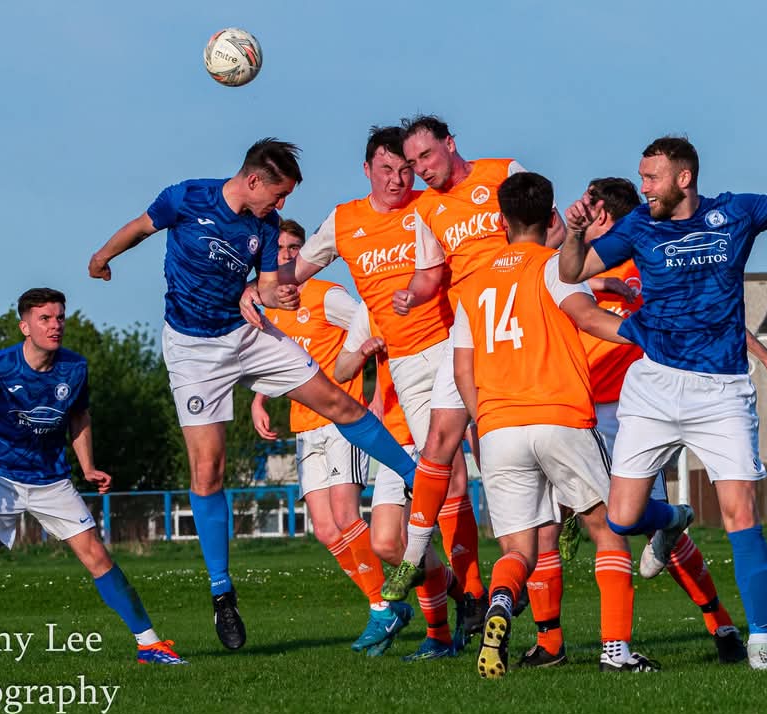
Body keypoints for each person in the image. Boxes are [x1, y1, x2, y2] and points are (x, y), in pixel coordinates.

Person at [559, 119, 767, 670]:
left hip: (721, 390)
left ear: (684, 177)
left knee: (738, 511)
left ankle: (760, 644)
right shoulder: (636, 226)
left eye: (652, 178)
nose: (645, 187)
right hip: (654, 386)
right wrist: (577, 233)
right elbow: (574, 270)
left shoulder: (737, 213)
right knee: (624, 519)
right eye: (641, 178)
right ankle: (672, 519)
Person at [89, 139, 419, 650]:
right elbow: (139, 227)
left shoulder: (263, 229)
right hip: (193, 351)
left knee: (337, 401)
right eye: (279, 195)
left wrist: (275, 294)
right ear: (253, 181)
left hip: (246, 335)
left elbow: (265, 287)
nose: (281, 207)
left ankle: (416, 475)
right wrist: (103, 257)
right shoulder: (187, 198)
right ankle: (222, 594)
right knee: (208, 471)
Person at [517, 177, 767, 669]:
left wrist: (765, 356)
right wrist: (596, 284)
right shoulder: (583, 264)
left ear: (609, 216)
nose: (587, 213)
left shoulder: (648, 257)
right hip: (579, 404)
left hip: (638, 404)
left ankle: (719, 623)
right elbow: (557, 286)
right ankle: (551, 642)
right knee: (571, 524)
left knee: (639, 527)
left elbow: (711, 316)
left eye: (595, 207)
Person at [244, 126, 484, 651]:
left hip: (448, 347)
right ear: (367, 171)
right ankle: (452, 610)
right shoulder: (345, 220)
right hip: (401, 369)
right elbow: (295, 272)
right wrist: (254, 288)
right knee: (402, 517)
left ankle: (470, 599)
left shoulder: (430, 207)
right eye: (387, 170)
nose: (400, 179)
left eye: (406, 169)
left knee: (447, 476)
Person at [453, 171, 664, 677]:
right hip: (559, 416)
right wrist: (651, 337)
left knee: (520, 549)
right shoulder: (555, 268)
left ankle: (501, 603)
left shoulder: (474, 282)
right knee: (607, 531)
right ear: (551, 219)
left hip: (499, 426)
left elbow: (464, 369)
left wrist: (483, 422)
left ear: (502, 221)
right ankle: (616, 654)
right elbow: (590, 320)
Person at [0, 289, 184, 670]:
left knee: (98, 557)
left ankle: (150, 644)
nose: (55, 326)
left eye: (59, 318)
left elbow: (79, 417)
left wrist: (87, 466)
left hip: (51, 480)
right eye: (45, 319)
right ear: (25, 326)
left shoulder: (75, 367)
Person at [382, 115, 565, 608]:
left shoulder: (502, 171)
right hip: (466, 331)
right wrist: (411, 296)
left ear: (450, 144)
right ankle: (414, 556)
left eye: (426, 156)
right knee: (440, 440)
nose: (420, 169)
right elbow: (430, 274)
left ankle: (524, 565)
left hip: (516, 329)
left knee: (501, 452)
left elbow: (556, 232)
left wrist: (525, 283)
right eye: (412, 161)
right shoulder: (427, 208)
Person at [249, 220, 413, 655]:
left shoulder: (326, 295)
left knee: (345, 514)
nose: (286, 255)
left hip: (342, 419)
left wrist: (377, 393)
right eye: (280, 248)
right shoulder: (274, 305)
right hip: (305, 425)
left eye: (294, 247)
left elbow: (374, 328)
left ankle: (384, 608)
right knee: (324, 530)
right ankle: (384, 603)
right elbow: (276, 358)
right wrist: (259, 400)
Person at [334, 302, 469, 661]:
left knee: (414, 540)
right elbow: (341, 370)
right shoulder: (371, 306)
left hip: (433, 436)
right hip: (394, 441)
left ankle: (439, 637)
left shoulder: (439, 299)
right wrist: (364, 352)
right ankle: (467, 600)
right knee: (385, 543)